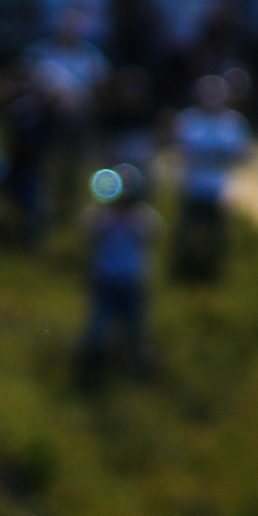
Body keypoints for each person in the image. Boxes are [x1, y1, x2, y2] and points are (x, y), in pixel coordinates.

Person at [76, 167, 158, 389]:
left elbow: (153, 235)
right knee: (97, 332)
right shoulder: (101, 216)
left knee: (135, 334)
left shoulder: (142, 217)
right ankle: (92, 378)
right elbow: (87, 230)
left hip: (131, 283)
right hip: (105, 282)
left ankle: (141, 379)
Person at [170, 74, 250, 283]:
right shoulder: (189, 118)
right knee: (187, 233)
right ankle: (184, 271)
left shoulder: (232, 122)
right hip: (192, 185)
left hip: (219, 188)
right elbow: (184, 150)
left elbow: (240, 153)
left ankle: (215, 274)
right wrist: (216, 154)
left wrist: (207, 154)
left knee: (218, 236)